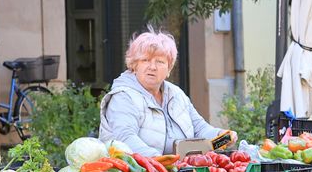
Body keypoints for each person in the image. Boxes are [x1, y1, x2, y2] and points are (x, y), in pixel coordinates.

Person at [99, 28, 234, 156]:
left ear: (169, 69)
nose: (152, 67)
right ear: (134, 65)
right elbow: (125, 139)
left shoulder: (176, 94)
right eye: (145, 60)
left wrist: (222, 136)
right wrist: (161, 161)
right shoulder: (123, 97)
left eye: (160, 62)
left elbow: (199, 128)